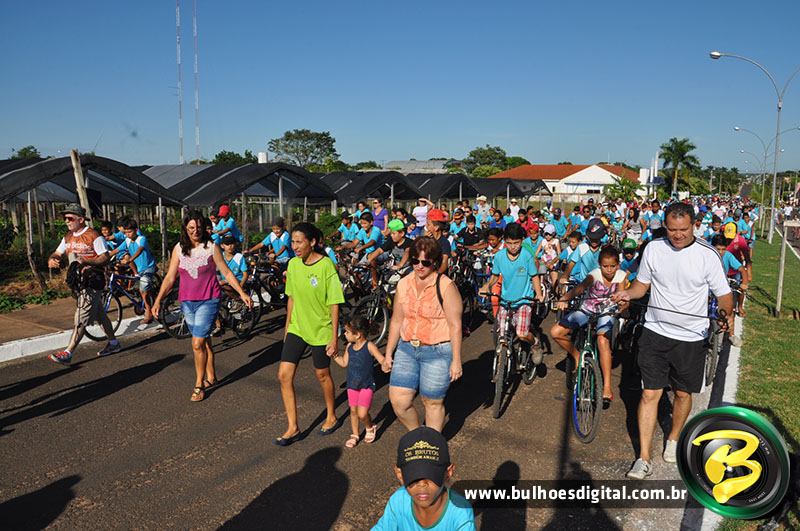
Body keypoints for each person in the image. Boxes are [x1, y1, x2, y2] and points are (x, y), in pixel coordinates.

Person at [612, 202, 734, 480]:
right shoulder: (654, 249)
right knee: (649, 394)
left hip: (690, 338)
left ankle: (674, 437)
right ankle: (643, 458)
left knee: (681, 394)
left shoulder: (707, 255)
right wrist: (628, 294)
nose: (677, 235)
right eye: (672, 230)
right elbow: (642, 285)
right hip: (655, 332)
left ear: (693, 227)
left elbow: (724, 295)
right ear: (665, 226)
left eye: (683, 230)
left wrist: (725, 313)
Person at [152, 211, 252, 402]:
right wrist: (157, 301)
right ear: (185, 229)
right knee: (204, 340)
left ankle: (199, 384)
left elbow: (226, 272)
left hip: (209, 299)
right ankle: (211, 375)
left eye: (198, 227)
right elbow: (170, 277)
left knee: (197, 343)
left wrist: (241, 292)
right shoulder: (178, 249)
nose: (195, 231)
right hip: (187, 302)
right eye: (191, 227)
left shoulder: (212, 247)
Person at [273, 222, 345, 446]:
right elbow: (291, 298)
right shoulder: (293, 264)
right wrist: (287, 328)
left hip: (321, 329)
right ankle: (293, 427)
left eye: (299, 242)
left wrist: (334, 337)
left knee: (322, 374)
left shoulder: (326, 266)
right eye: (292, 242)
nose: (294, 246)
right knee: (284, 375)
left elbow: (334, 303)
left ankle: (331, 415)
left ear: (312, 242)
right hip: (298, 328)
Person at [382, 237, 463, 432]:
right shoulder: (404, 284)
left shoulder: (445, 286)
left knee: (432, 402)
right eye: (415, 261)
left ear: (434, 262)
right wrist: (388, 353)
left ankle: (431, 444)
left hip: (438, 351)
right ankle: (417, 435)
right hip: (407, 348)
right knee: (399, 401)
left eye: (425, 262)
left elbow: (455, 325)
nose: (419, 266)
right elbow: (397, 320)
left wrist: (456, 360)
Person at [551, 246, 626, 407]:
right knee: (556, 332)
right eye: (605, 266)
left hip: (607, 312)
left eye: (613, 266)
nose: (609, 270)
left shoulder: (621, 276)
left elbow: (623, 296)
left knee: (602, 340)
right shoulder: (594, 275)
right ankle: (577, 356)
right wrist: (564, 298)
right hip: (587, 310)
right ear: (600, 265)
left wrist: (622, 303)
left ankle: (607, 386)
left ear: (618, 265)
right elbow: (579, 289)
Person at [47, 204, 121, 364]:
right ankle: (114, 343)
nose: (66, 221)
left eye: (70, 218)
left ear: (81, 219)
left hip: (92, 282)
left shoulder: (94, 236)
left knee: (80, 317)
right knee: (100, 315)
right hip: (78, 283)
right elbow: (58, 252)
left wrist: (87, 261)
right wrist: (53, 259)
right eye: (65, 218)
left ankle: (68, 352)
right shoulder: (68, 237)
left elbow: (104, 257)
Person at [372, 426, 475, 530]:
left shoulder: (460, 514)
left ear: (448, 473)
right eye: (413, 476)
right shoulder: (398, 501)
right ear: (400, 474)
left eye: (431, 475)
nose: (422, 484)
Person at [481, 223, 542, 353]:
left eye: (516, 243)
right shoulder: (499, 256)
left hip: (523, 300)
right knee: (501, 336)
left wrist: (539, 294)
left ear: (522, 241)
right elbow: (495, 276)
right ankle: (503, 362)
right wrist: (486, 286)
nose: (513, 246)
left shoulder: (527, 256)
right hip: (505, 300)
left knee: (522, 334)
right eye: (509, 243)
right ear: (504, 241)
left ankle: (535, 343)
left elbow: (534, 276)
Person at [332, 316, 386, 449]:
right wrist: (334, 356)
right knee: (353, 411)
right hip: (352, 385)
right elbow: (344, 363)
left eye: (347, 332)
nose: (344, 334)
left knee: (362, 413)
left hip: (366, 385)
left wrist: (386, 364)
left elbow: (381, 359)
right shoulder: (349, 347)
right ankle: (355, 434)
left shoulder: (369, 346)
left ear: (357, 334)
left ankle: (370, 427)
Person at [117, 219, 158, 324]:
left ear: (136, 230)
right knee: (139, 289)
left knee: (143, 289)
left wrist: (130, 259)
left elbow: (140, 250)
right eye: (125, 232)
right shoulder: (127, 240)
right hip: (139, 269)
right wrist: (104, 257)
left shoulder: (141, 239)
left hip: (148, 268)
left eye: (130, 232)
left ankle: (148, 311)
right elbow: (116, 250)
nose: (127, 234)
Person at [711, 234, 747, 346]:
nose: (721, 252)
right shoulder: (707, 255)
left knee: (730, 311)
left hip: (722, 287)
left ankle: (731, 335)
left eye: (723, 249)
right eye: (718, 249)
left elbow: (742, 269)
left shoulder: (728, 255)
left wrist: (744, 283)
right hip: (708, 287)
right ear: (712, 247)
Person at [368, 219, 413, 287]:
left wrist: (400, 265)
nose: (391, 235)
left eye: (394, 233)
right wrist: (369, 260)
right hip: (395, 268)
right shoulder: (391, 240)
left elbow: (407, 252)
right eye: (391, 233)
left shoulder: (409, 242)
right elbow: (380, 250)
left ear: (402, 233)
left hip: (408, 268)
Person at [534, 224, 561, 291]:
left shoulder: (556, 241)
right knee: (541, 277)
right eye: (546, 234)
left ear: (553, 234)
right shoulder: (543, 241)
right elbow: (536, 253)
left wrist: (554, 263)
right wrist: (535, 258)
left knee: (554, 283)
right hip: (544, 262)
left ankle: (556, 293)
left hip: (553, 262)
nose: (548, 236)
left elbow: (559, 254)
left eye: (550, 234)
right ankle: (541, 288)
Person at [425, 209, 452, 274]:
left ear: (436, 227)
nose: (426, 226)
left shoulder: (444, 243)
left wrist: (436, 275)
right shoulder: (426, 240)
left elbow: (444, 263)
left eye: (428, 224)